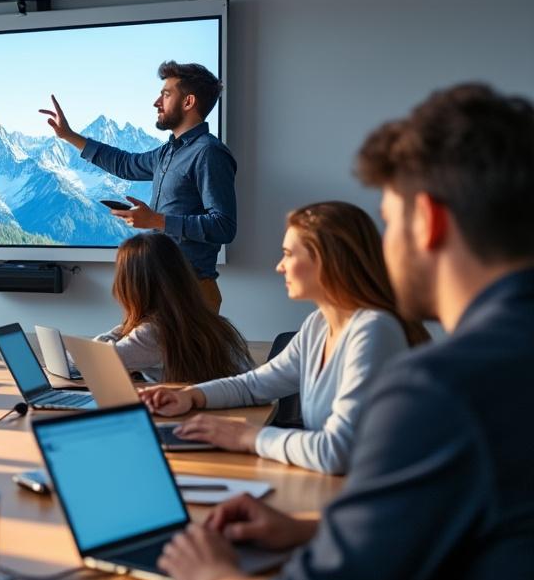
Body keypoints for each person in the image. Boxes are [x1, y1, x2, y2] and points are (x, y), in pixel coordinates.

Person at [157, 84, 534, 580]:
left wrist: (213, 576)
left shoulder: (441, 388)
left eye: (389, 219)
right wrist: (315, 529)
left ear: (428, 221)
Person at [140, 201, 427, 474]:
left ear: (327, 260)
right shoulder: (318, 325)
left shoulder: (373, 330)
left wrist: (249, 437)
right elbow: (255, 386)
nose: (280, 266)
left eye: (289, 254)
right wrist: (191, 396)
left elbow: (338, 451)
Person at [42, 61, 235, 311]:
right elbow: (125, 164)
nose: (156, 102)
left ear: (188, 102)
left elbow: (224, 226)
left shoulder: (209, 153)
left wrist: (157, 220)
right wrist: (69, 136)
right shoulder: (168, 152)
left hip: (192, 292)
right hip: (162, 286)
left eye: (166, 94)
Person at [95, 232, 254, 384]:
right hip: (236, 407)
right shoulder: (203, 321)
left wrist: (124, 328)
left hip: (215, 410)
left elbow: (89, 360)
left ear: (131, 287)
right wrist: (127, 327)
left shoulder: (154, 333)